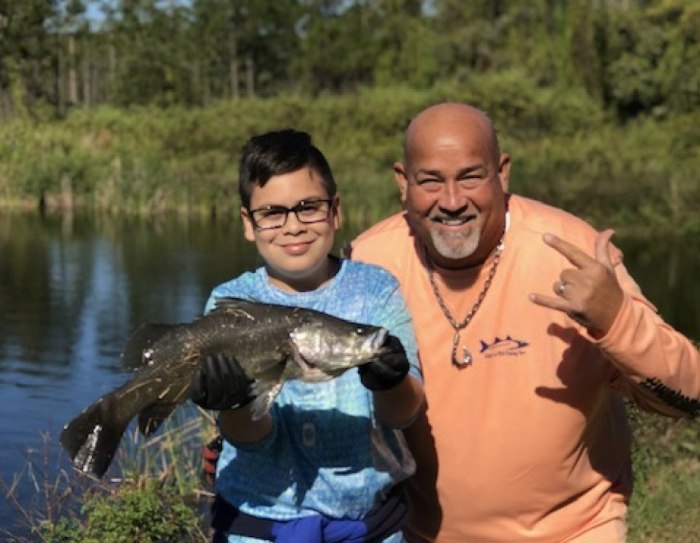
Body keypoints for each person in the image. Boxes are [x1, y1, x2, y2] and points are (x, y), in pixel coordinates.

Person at [349, 102, 700, 542]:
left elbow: (689, 396)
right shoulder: (367, 263)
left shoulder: (572, 254)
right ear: (403, 182)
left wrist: (617, 321)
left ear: (504, 172)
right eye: (431, 181)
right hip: (419, 534)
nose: (452, 201)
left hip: (574, 530)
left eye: (471, 176)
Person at [190, 128, 425, 543]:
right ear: (249, 223)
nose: (293, 225)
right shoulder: (230, 301)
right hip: (258, 528)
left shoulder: (376, 291)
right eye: (273, 212)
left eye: (308, 207)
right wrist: (235, 405)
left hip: (371, 527)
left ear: (335, 211)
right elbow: (250, 438)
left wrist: (391, 382)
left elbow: (404, 413)